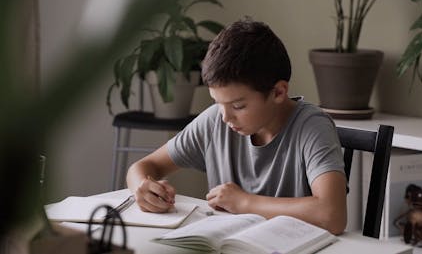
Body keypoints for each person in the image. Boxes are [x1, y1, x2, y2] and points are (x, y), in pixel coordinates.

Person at [126, 18, 347, 234]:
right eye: (217, 103)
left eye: (238, 105)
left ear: (278, 92)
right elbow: (144, 166)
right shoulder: (215, 121)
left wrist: (245, 203)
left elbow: (332, 214)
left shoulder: (312, 127)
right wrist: (142, 188)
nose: (225, 117)